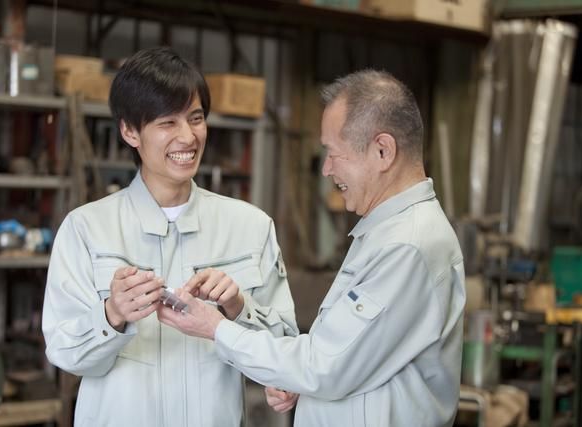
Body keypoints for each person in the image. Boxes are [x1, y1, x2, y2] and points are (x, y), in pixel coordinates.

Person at [159, 69, 466, 427]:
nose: (326, 169)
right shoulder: (386, 232)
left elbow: (324, 366)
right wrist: (297, 381)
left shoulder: (408, 245)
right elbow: (345, 359)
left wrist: (216, 327)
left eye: (334, 153)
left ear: (383, 151)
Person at [42, 46, 298, 427]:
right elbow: (65, 352)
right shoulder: (86, 230)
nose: (188, 137)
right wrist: (112, 315)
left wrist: (238, 307)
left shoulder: (250, 226)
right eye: (167, 122)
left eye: (196, 118)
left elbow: (286, 348)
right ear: (130, 131)